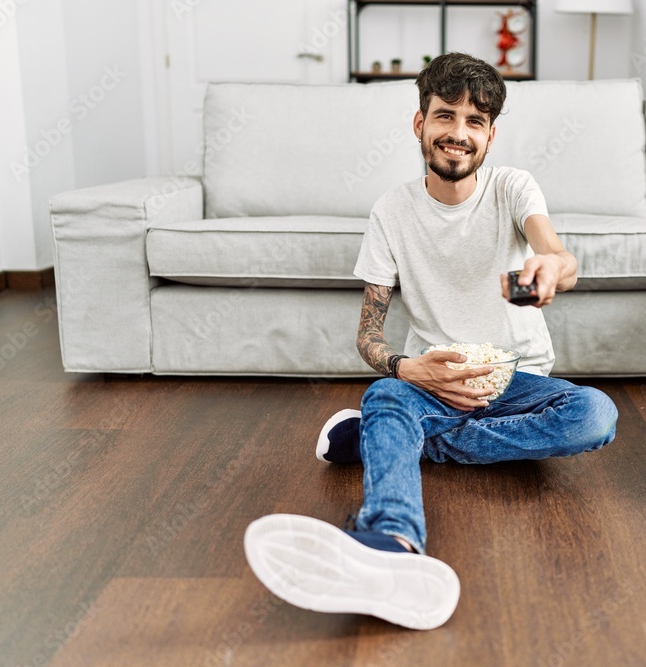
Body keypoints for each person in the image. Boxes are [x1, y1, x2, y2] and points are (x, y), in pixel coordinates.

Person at [244, 53, 618, 631]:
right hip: (433, 380)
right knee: (386, 394)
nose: (458, 134)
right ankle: (391, 542)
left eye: (475, 122)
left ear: (491, 134)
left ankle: (401, 443)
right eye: (446, 116)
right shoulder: (391, 212)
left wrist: (553, 267)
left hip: (518, 380)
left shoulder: (513, 188)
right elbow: (368, 335)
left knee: (595, 413)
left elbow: (556, 253)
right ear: (420, 124)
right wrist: (406, 368)